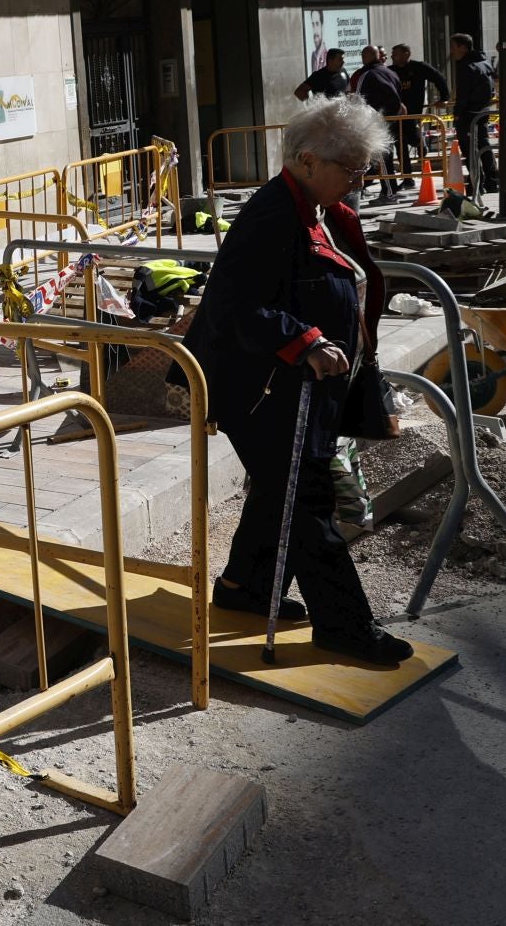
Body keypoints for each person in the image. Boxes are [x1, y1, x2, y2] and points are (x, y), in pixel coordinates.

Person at [181, 96, 414, 666]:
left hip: (297, 386)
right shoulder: (272, 215)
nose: (360, 181)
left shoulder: (317, 207)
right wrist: (303, 339)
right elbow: (233, 306)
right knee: (307, 498)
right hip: (260, 389)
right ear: (308, 160)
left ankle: (245, 587)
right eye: (352, 169)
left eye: (365, 169)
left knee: (278, 491)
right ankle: (344, 627)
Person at [389, 44, 451, 185]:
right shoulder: (391, 70)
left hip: (413, 112)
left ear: (406, 54)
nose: (392, 57)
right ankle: (407, 177)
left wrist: (444, 98)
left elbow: (439, 78)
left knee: (411, 138)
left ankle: (419, 143)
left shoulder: (419, 67)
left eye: (395, 54)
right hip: (396, 114)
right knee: (400, 144)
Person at [448, 33, 502, 194]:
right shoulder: (484, 63)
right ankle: (492, 181)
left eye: (453, 47)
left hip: (468, 114)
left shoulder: (467, 67)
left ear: (463, 47)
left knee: (470, 150)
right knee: (484, 145)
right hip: (483, 111)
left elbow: (463, 95)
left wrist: (457, 114)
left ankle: (476, 183)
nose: (452, 51)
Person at [351, 47, 403, 203]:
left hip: (376, 120)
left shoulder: (366, 74)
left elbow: (358, 99)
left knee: (383, 157)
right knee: (386, 156)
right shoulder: (390, 73)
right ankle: (389, 191)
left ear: (367, 56)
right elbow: (399, 94)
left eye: (362, 55)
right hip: (391, 119)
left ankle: (389, 194)